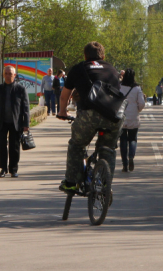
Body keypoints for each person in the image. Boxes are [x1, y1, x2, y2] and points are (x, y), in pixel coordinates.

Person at [57, 42, 123, 192]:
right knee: (108, 149)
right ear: (103, 56)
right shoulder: (112, 69)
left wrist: (62, 112)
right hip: (114, 116)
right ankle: (106, 185)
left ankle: (71, 182)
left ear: (85, 55)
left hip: (89, 115)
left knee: (77, 145)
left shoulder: (79, 68)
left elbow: (64, 96)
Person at [0, 65, 31, 178]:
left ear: (14, 75)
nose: (8, 76)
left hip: (16, 123)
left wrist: (26, 123)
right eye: (6, 74)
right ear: (3, 75)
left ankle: (13, 169)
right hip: (2, 122)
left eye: (10, 74)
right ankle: (3, 168)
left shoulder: (20, 89)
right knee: (1, 145)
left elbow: (26, 108)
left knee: (14, 146)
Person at [119, 68, 145, 172]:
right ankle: (131, 157)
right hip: (133, 116)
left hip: (121, 116)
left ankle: (124, 164)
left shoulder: (119, 86)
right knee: (133, 139)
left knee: (123, 140)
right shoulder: (137, 88)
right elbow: (142, 103)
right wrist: (138, 109)